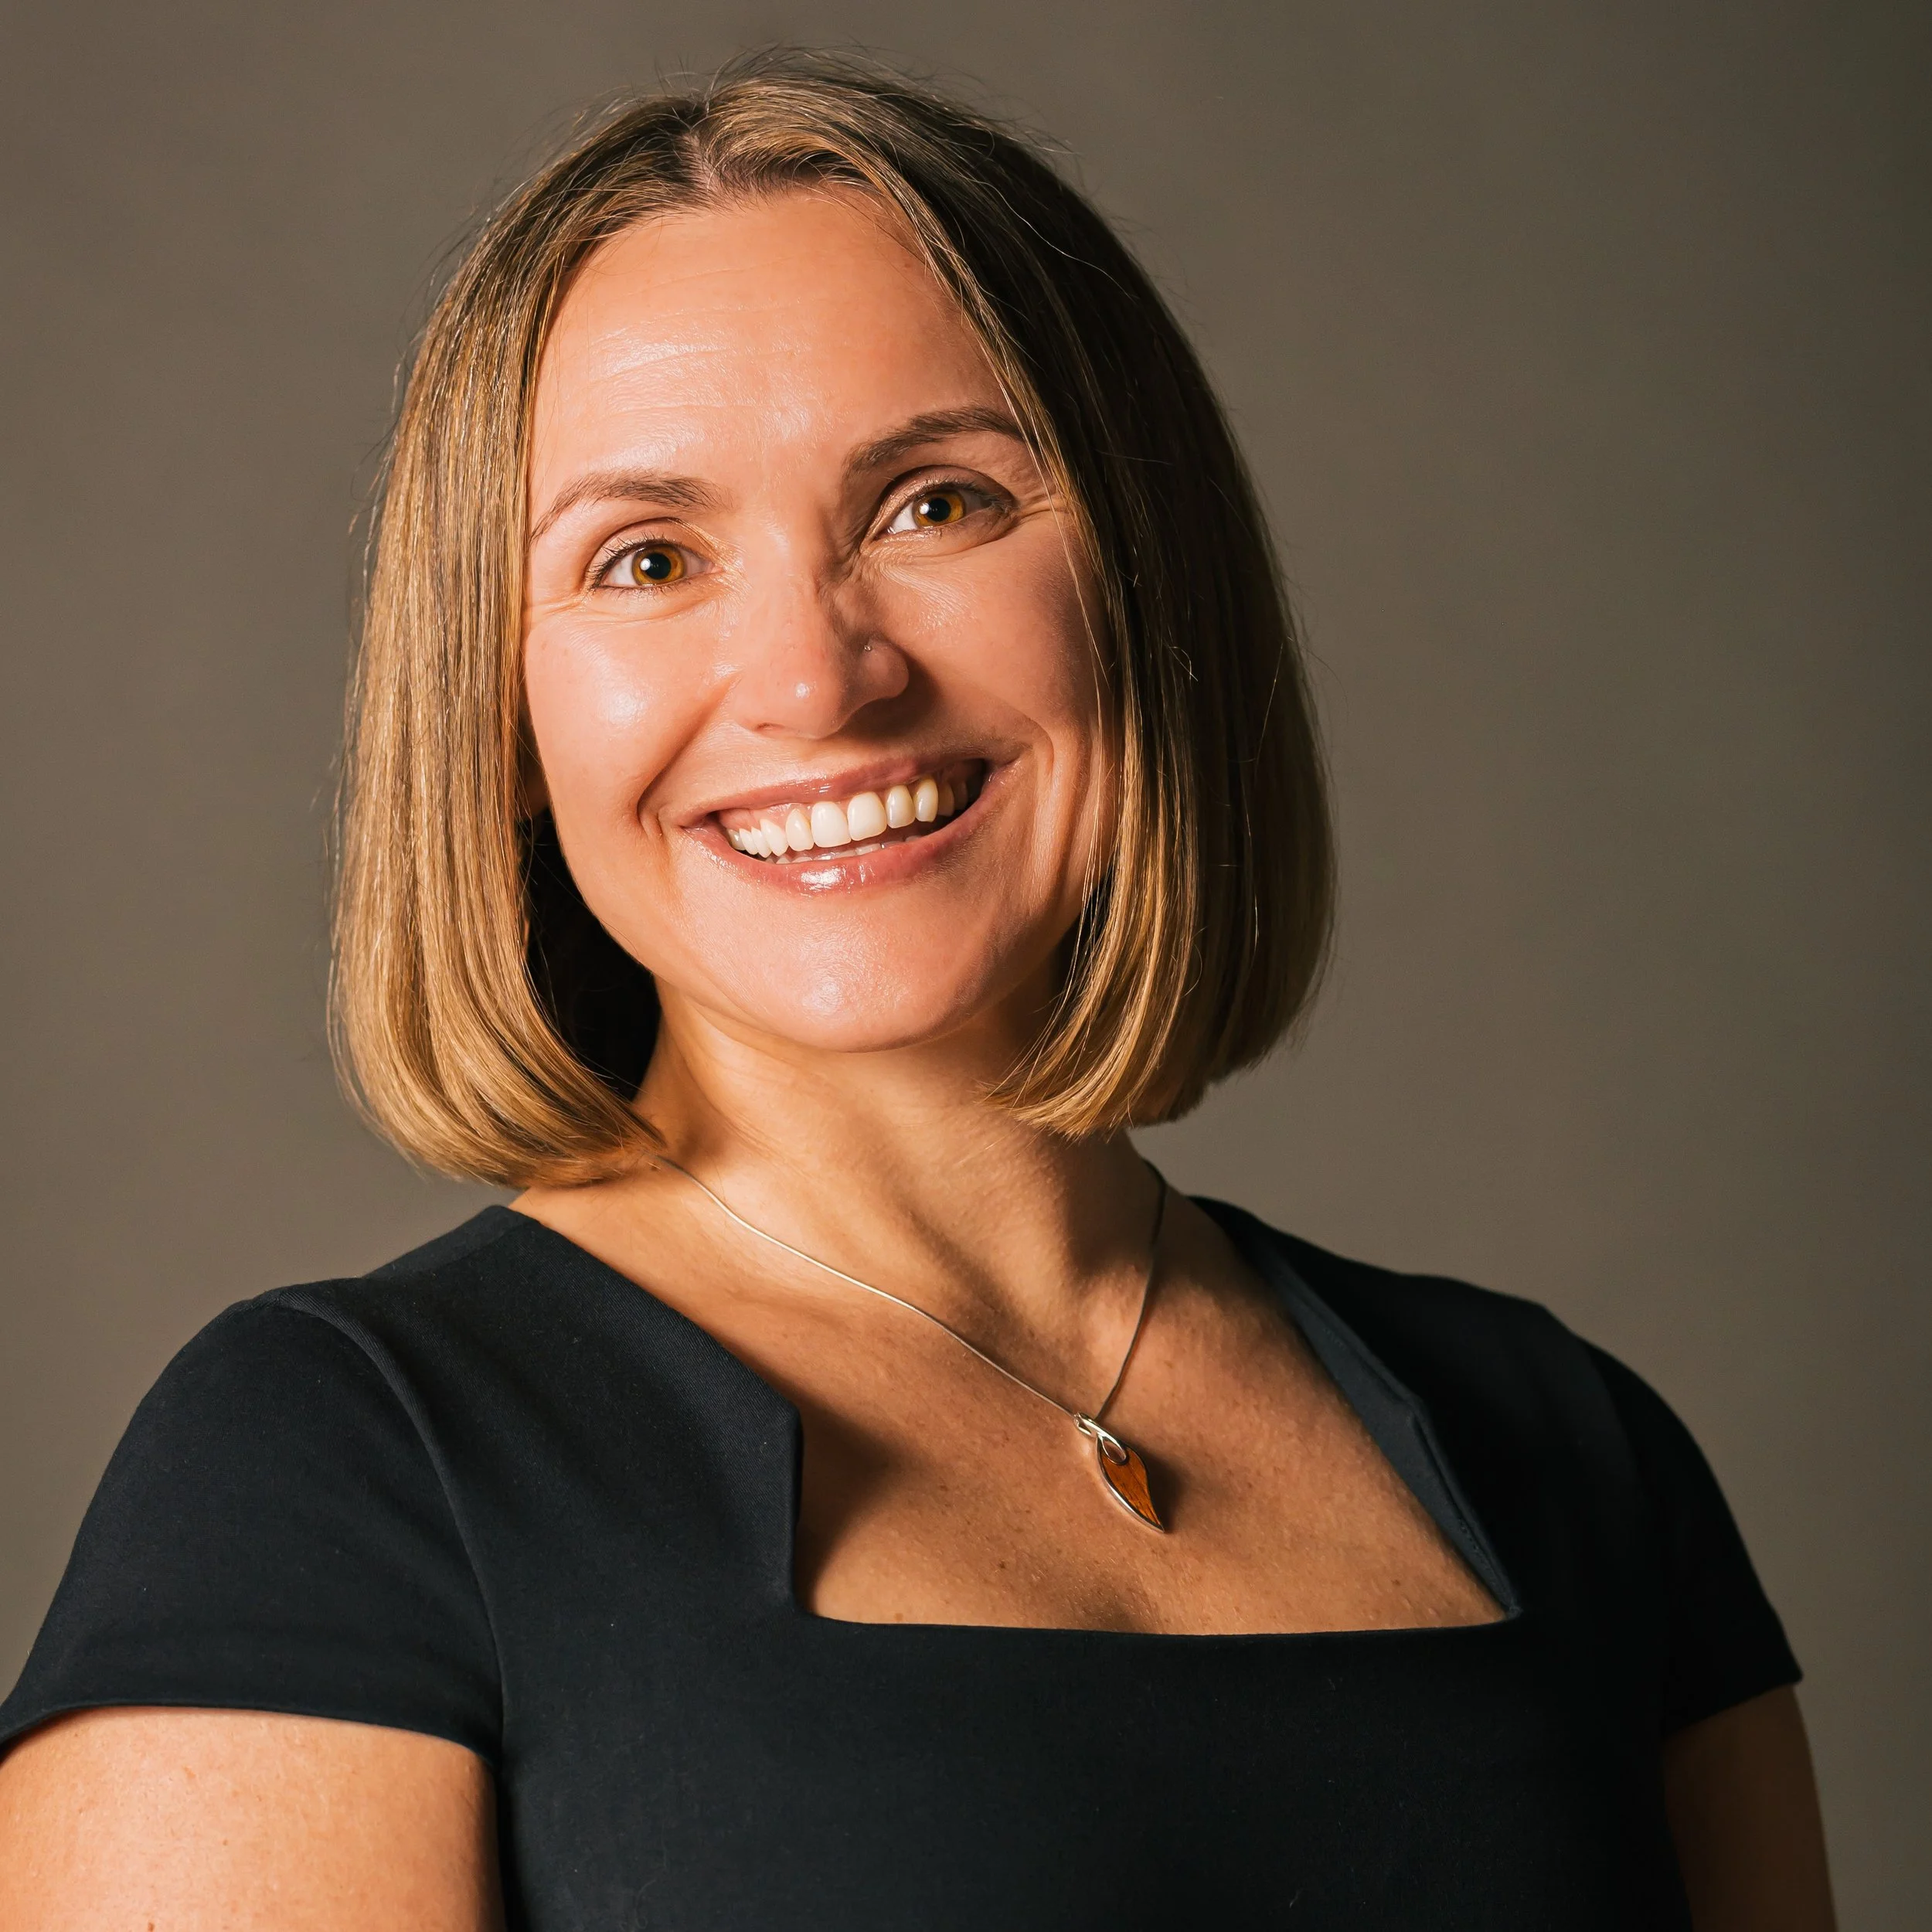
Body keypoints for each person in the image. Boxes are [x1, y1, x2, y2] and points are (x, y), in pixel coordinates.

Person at [0, 56, 1834, 1930]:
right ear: (506, 725)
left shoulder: (1570, 1449)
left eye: (936, 503)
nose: (813, 676)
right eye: (646, 558)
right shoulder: (333, 1475)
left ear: (1145, 582)